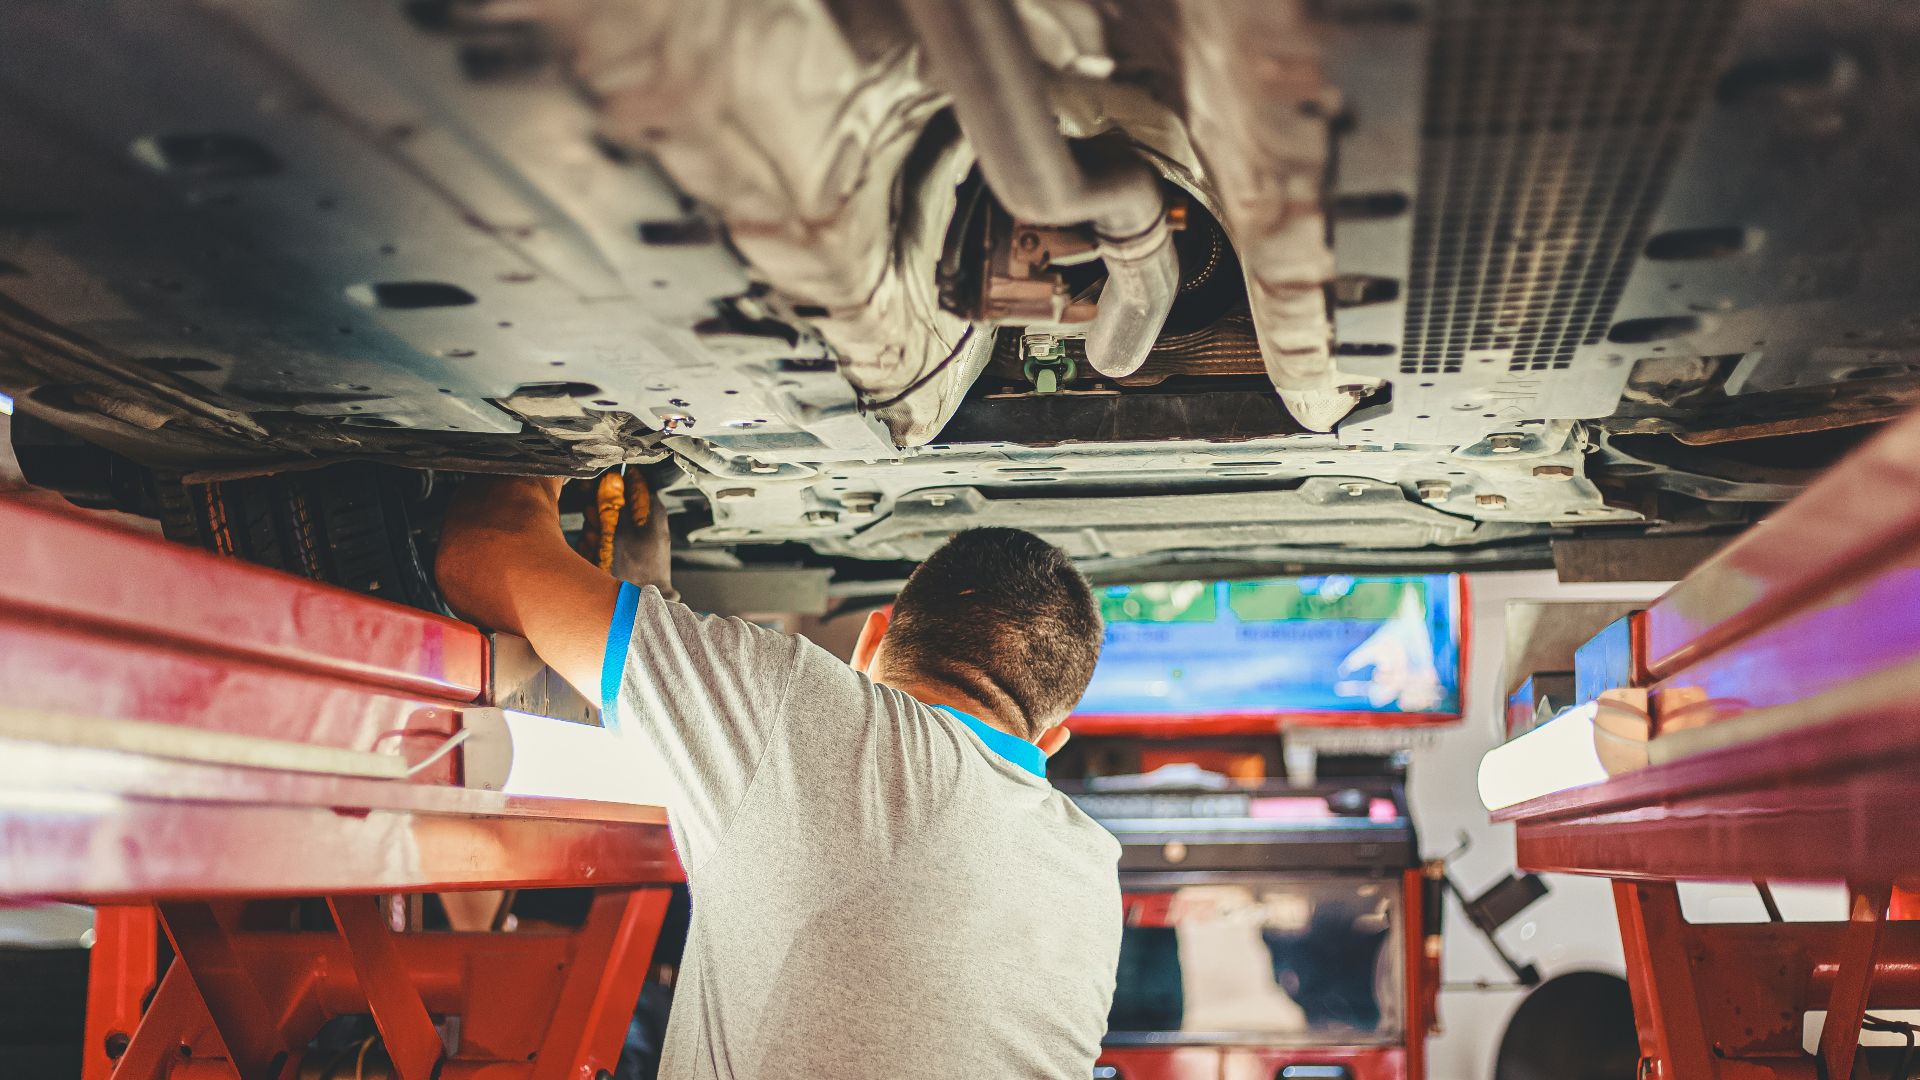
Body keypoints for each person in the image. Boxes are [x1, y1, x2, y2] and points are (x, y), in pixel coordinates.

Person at [435, 474, 1122, 1079]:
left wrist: (552, 452)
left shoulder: (808, 711)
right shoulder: (1091, 872)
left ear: (870, 641)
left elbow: (485, 554)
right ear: (1050, 740)